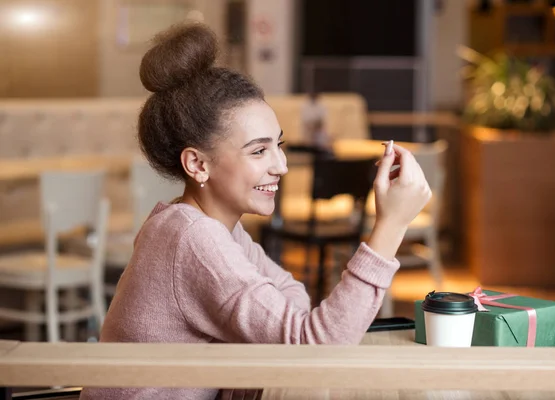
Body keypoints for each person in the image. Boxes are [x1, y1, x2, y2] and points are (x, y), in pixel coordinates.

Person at [80, 21, 431, 400]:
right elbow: (318, 349)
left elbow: (292, 296)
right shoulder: (192, 238)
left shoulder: (215, 229)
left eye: (278, 146)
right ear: (198, 164)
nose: (280, 165)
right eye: (258, 151)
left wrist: (281, 332)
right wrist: (391, 225)